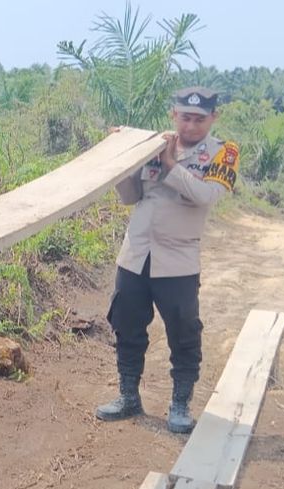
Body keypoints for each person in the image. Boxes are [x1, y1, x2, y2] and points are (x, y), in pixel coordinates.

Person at [96, 86, 240, 434]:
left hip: (178, 260)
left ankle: (180, 405)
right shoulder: (153, 146)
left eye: (199, 119)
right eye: (184, 117)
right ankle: (129, 396)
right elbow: (131, 197)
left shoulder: (223, 153)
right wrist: (123, 160)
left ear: (213, 118)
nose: (191, 126)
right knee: (127, 326)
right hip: (136, 255)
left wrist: (171, 164)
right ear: (172, 115)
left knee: (183, 333)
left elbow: (205, 196)